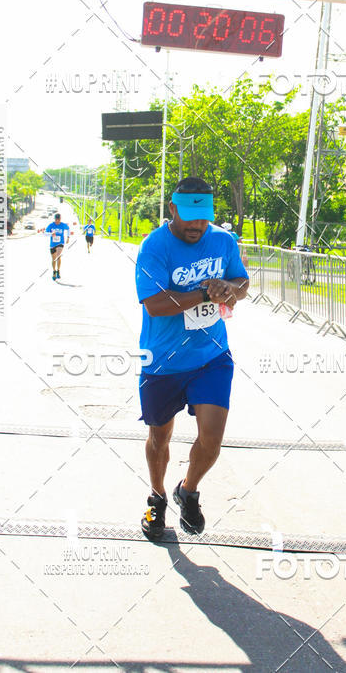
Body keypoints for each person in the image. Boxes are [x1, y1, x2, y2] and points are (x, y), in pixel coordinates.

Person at [135, 177, 249, 541]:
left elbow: (242, 285)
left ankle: (189, 489)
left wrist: (229, 289)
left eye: (203, 219)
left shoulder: (223, 240)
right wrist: (203, 291)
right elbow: (153, 304)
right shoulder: (154, 247)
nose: (197, 226)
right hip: (163, 361)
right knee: (159, 437)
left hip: (211, 355)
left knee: (212, 439)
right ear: (173, 211)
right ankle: (157, 497)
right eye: (189, 219)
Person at [44, 212, 70, 281]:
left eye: (59, 220)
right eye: (56, 220)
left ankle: (58, 270)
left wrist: (68, 237)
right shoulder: (51, 225)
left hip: (60, 243)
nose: (57, 221)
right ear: (54, 219)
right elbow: (45, 233)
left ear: (60, 219)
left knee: (58, 256)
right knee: (53, 259)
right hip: (52, 244)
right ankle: (54, 271)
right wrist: (50, 234)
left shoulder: (63, 225)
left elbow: (68, 229)